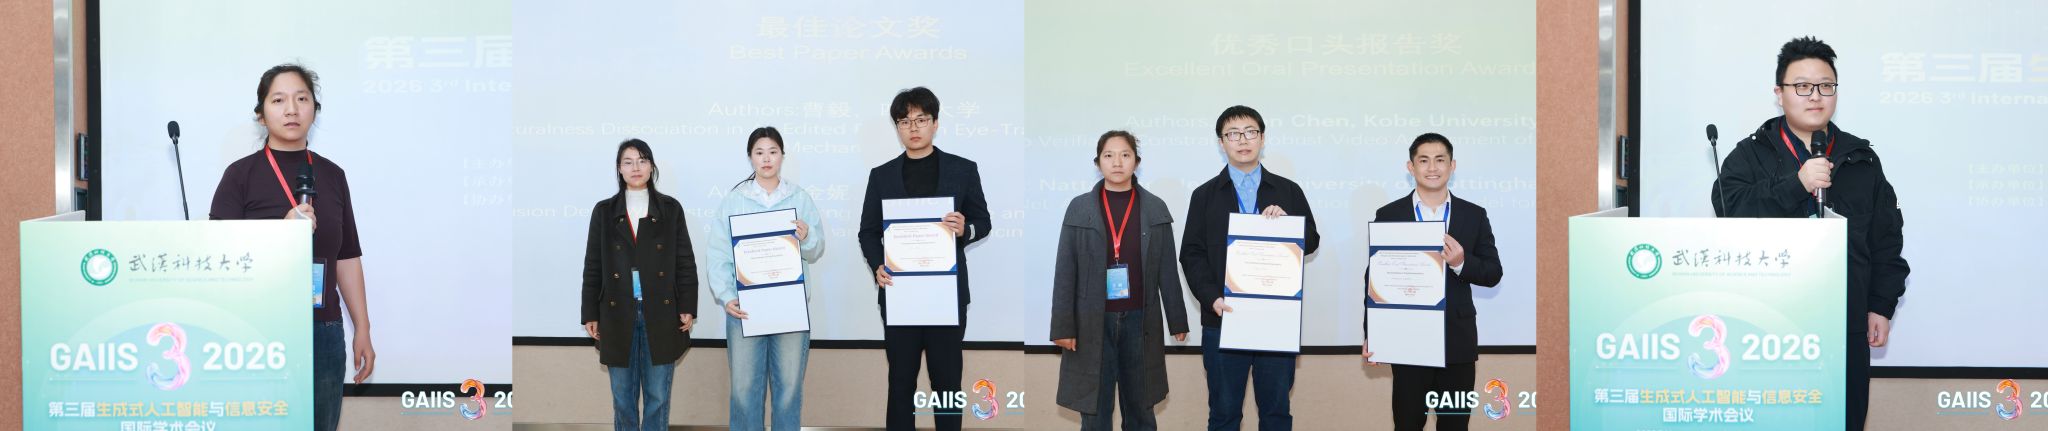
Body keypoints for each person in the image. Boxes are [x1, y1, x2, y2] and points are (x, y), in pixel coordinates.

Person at [1710, 36, 1909, 430]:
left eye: (1825, 86)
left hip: (1844, 325)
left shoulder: (1861, 159)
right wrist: (1796, 185)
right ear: (1779, 94)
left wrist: (1881, 305)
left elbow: (1886, 240)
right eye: (1802, 86)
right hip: (1766, 327)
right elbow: (1730, 210)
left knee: (1843, 418)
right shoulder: (1750, 155)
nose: (1815, 96)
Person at [206, 63, 375, 431]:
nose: (292, 109)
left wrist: (362, 327)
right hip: (256, 328)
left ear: (315, 109)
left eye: (302, 99)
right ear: (261, 114)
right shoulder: (240, 175)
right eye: (278, 100)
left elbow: (347, 256)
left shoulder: (332, 175)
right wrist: (280, 233)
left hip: (322, 330)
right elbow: (218, 256)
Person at [857, 86, 993, 431]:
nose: (913, 127)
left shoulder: (963, 169)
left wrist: (965, 229)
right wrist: (877, 265)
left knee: (947, 385)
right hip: (899, 296)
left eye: (921, 119)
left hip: (946, 297)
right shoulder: (881, 175)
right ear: (897, 127)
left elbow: (983, 222)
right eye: (905, 121)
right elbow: (868, 232)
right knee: (901, 383)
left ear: (935, 123)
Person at [1179, 105, 1320, 430]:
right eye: (1233, 134)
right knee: (1224, 414)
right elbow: (1191, 254)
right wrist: (1211, 298)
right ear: (1221, 142)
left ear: (1262, 138)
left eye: (1250, 132)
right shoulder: (1204, 195)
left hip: (1276, 320)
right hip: (1222, 318)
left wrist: (1289, 225)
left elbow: (1312, 240)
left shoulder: (1288, 190)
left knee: (1276, 413)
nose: (1242, 140)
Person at [1361, 133, 1504, 431]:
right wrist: (1372, 332)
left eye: (1440, 160)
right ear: (1410, 167)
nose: (1432, 167)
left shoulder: (1474, 215)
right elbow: (1374, 277)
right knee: (1407, 424)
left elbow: (1493, 273)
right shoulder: (1389, 214)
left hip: (1457, 343)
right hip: (1406, 341)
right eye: (1423, 160)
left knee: (1455, 426)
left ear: (1452, 166)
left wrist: (1461, 262)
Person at [1050, 131, 1190, 430]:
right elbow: (1065, 270)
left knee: (1141, 410)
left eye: (1125, 155)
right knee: (1095, 411)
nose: (1117, 162)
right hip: (1091, 323)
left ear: (1136, 162)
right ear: (1098, 162)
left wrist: (1178, 320)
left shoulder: (1155, 207)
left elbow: (1167, 269)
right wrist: (1062, 326)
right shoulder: (1079, 208)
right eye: (1109, 155)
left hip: (1141, 321)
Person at [704, 127, 824, 431]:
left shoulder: (800, 198)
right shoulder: (735, 200)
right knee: (744, 391)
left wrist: (807, 237)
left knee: (789, 390)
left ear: (782, 155)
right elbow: (717, 254)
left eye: (773, 152)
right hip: (745, 309)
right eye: (759, 152)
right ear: (750, 157)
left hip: (790, 309)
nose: (766, 158)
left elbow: (816, 249)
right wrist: (727, 296)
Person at [581, 138, 700, 431]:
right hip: (616, 312)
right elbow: (593, 265)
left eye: (642, 160)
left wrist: (687, 305)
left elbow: (685, 261)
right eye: (628, 162)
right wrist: (590, 313)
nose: (636, 167)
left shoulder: (670, 208)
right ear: (619, 169)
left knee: (658, 397)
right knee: (623, 398)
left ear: (651, 167)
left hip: (660, 311)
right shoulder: (604, 211)